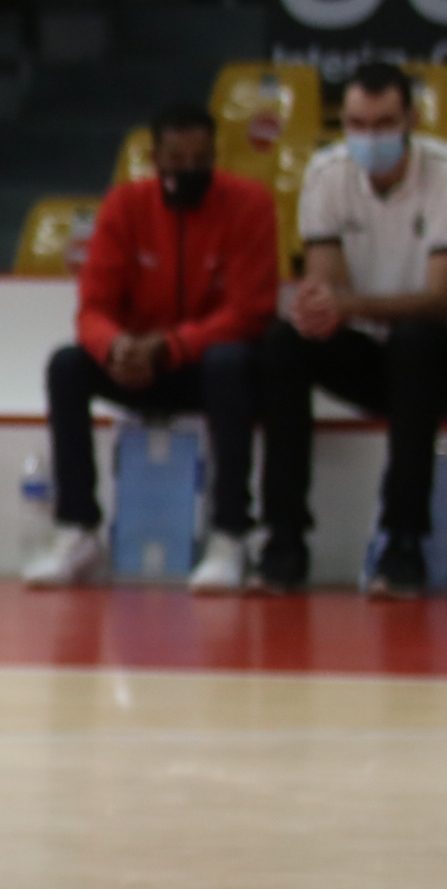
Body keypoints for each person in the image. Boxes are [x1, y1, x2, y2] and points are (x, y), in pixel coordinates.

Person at [258, 60, 447, 597]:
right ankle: (283, 537)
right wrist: (324, 309)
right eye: (357, 124)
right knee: (283, 343)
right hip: (376, 346)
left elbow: (440, 300)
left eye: (383, 123)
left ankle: (404, 539)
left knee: (415, 341)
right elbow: (327, 294)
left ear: (411, 119)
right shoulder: (326, 174)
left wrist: (346, 305)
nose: (368, 137)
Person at [25, 101, 279, 592]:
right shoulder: (125, 206)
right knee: (68, 366)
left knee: (232, 363)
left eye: (200, 162)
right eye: (176, 162)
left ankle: (231, 533)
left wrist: (172, 346)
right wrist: (116, 347)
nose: (188, 172)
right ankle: (78, 528)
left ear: (214, 157)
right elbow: (92, 308)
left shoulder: (250, 204)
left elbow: (251, 310)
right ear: (155, 159)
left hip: (209, 365)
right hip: (139, 365)